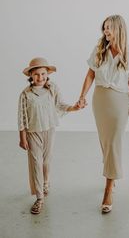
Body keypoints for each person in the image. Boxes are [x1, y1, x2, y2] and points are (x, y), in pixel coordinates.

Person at [77, 14, 129, 214]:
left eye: (109, 27)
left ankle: (109, 188)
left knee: (113, 142)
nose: (106, 31)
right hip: (100, 100)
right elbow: (90, 74)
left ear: (119, 29)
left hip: (120, 102)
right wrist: (82, 96)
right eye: (104, 28)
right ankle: (111, 172)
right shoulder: (99, 50)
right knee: (105, 142)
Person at [18, 57, 80, 214]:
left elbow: (60, 105)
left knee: (46, 162)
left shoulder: (52, 89)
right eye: (37, 74)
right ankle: (39, 198)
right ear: (31, 76)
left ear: (47, 74)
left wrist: (74, 107)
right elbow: (22, 117)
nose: (40, 77)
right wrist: (22, 137)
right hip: (33, 132)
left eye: (43, 74)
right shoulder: (26, 94)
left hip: (49, 129)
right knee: (36, 164)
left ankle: (46, 182)